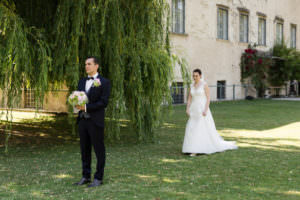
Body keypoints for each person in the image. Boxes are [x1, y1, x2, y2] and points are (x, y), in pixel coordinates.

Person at [73, 56, 111, 187]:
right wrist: (76, 106)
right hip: (83, 120)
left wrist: (86, 107)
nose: (86, 66)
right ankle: (86, 176)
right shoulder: (82, 81)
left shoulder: (104, 82)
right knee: (85, 150)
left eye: (89, 64)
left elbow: (103, 102)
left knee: (99, 150)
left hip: (95, 122)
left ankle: (98, 178)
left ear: (96, 66)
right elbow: (78, 98)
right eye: (85, 64)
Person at [182, 69, 237, 156]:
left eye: (196, 76)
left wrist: (205, 110)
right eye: (193, 76)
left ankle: (196, 150)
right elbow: (189, 98)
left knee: (199, 128)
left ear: (200, 76)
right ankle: (190, 147)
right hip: (194, 109)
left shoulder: (204, 85)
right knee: (191, 127)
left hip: (202, 109)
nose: (194, 77)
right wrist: (187, 108)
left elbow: (208, 98)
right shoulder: (192, 85)